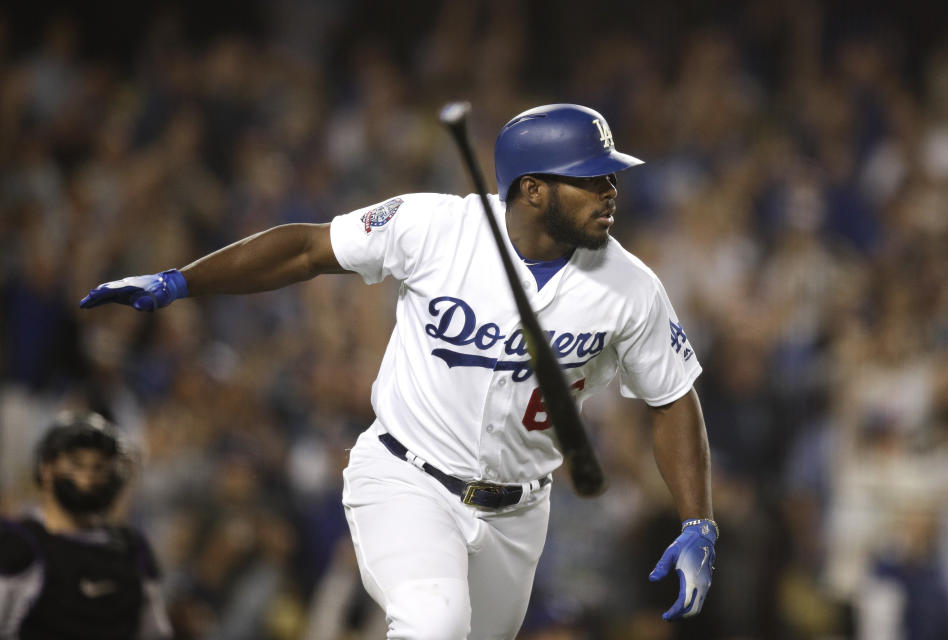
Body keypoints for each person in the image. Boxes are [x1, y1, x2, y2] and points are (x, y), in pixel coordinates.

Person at [80, 103, 717, 638]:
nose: (611, 192)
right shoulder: (435, 227)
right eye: (592, 179)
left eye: (611, 178)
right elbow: (306, 248)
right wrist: (178, 281)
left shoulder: (630, 287)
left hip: (519, 514)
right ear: (533, 189)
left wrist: (697, 521)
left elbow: (672, 397)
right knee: (433, 624)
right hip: (408, 478)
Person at [0, 411, 172, 640]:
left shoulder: (133, 549)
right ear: (47, 470)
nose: (88, 477)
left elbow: (154, 633)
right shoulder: (18, 545)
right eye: (77, 464)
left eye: (99, 467)